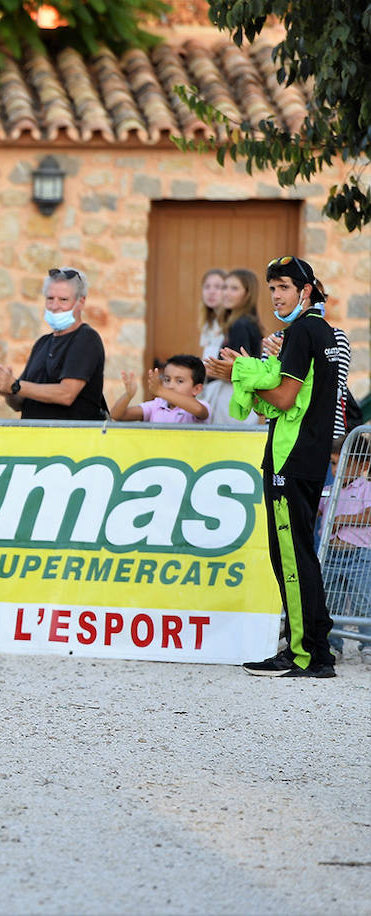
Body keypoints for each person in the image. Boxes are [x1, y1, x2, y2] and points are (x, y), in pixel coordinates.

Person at [204, 255, 338, 678]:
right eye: (273, 288)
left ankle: (305, 655)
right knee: (300, 555)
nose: (277, 296)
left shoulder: (301, 332)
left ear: (307, 290)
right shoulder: (324, 332)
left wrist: (236, 375)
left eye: (284, 287)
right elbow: (288, 400)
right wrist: (252, 379)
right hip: (307, 456)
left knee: (291, 558)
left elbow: (282, 399)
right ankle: (316, 648)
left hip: (291, 458)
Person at [0, 267, 107, 421]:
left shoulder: (86, 339)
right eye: (50, 298)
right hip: (34, 440)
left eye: (63, 300)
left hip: (71, 442)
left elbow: (67, 394)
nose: (54, 306)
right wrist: (7, 390)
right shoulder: (42, 343)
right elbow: (19, 403)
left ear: (81, 302)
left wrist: (15, 386)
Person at [318, 437, 371, 661]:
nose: (337, 469)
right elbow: (317, 510)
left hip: (358, 554)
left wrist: (342, 519)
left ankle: (367, 644)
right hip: (331, 555)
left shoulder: (366, 488)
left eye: (345, 464)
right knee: (331, 602)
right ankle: (333, 645)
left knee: (363, 602)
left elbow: (369, 516)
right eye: (332, 463)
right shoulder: (329, 490)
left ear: (362, 465)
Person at [203, 268, 264, 426]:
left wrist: (207, 370)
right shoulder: (240, 322)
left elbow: (239, 370)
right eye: (225, 287)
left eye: (234, 288)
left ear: (247, 293)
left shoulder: (241, 325)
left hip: (233, 398)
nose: (226, 293)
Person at [109, 355, 210, 424]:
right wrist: (128, 395)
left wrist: (160, 391)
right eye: (167, 380)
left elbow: (198, 409)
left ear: (196, 389)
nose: (171, 386)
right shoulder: (156, 405)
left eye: (179, 381)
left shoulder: (201, 405)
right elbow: (117, 415)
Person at [197, 267, 227, 364]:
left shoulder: (234, 324)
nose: (211, 292)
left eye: (218, 287)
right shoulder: (208, 323)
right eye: (207, 287)